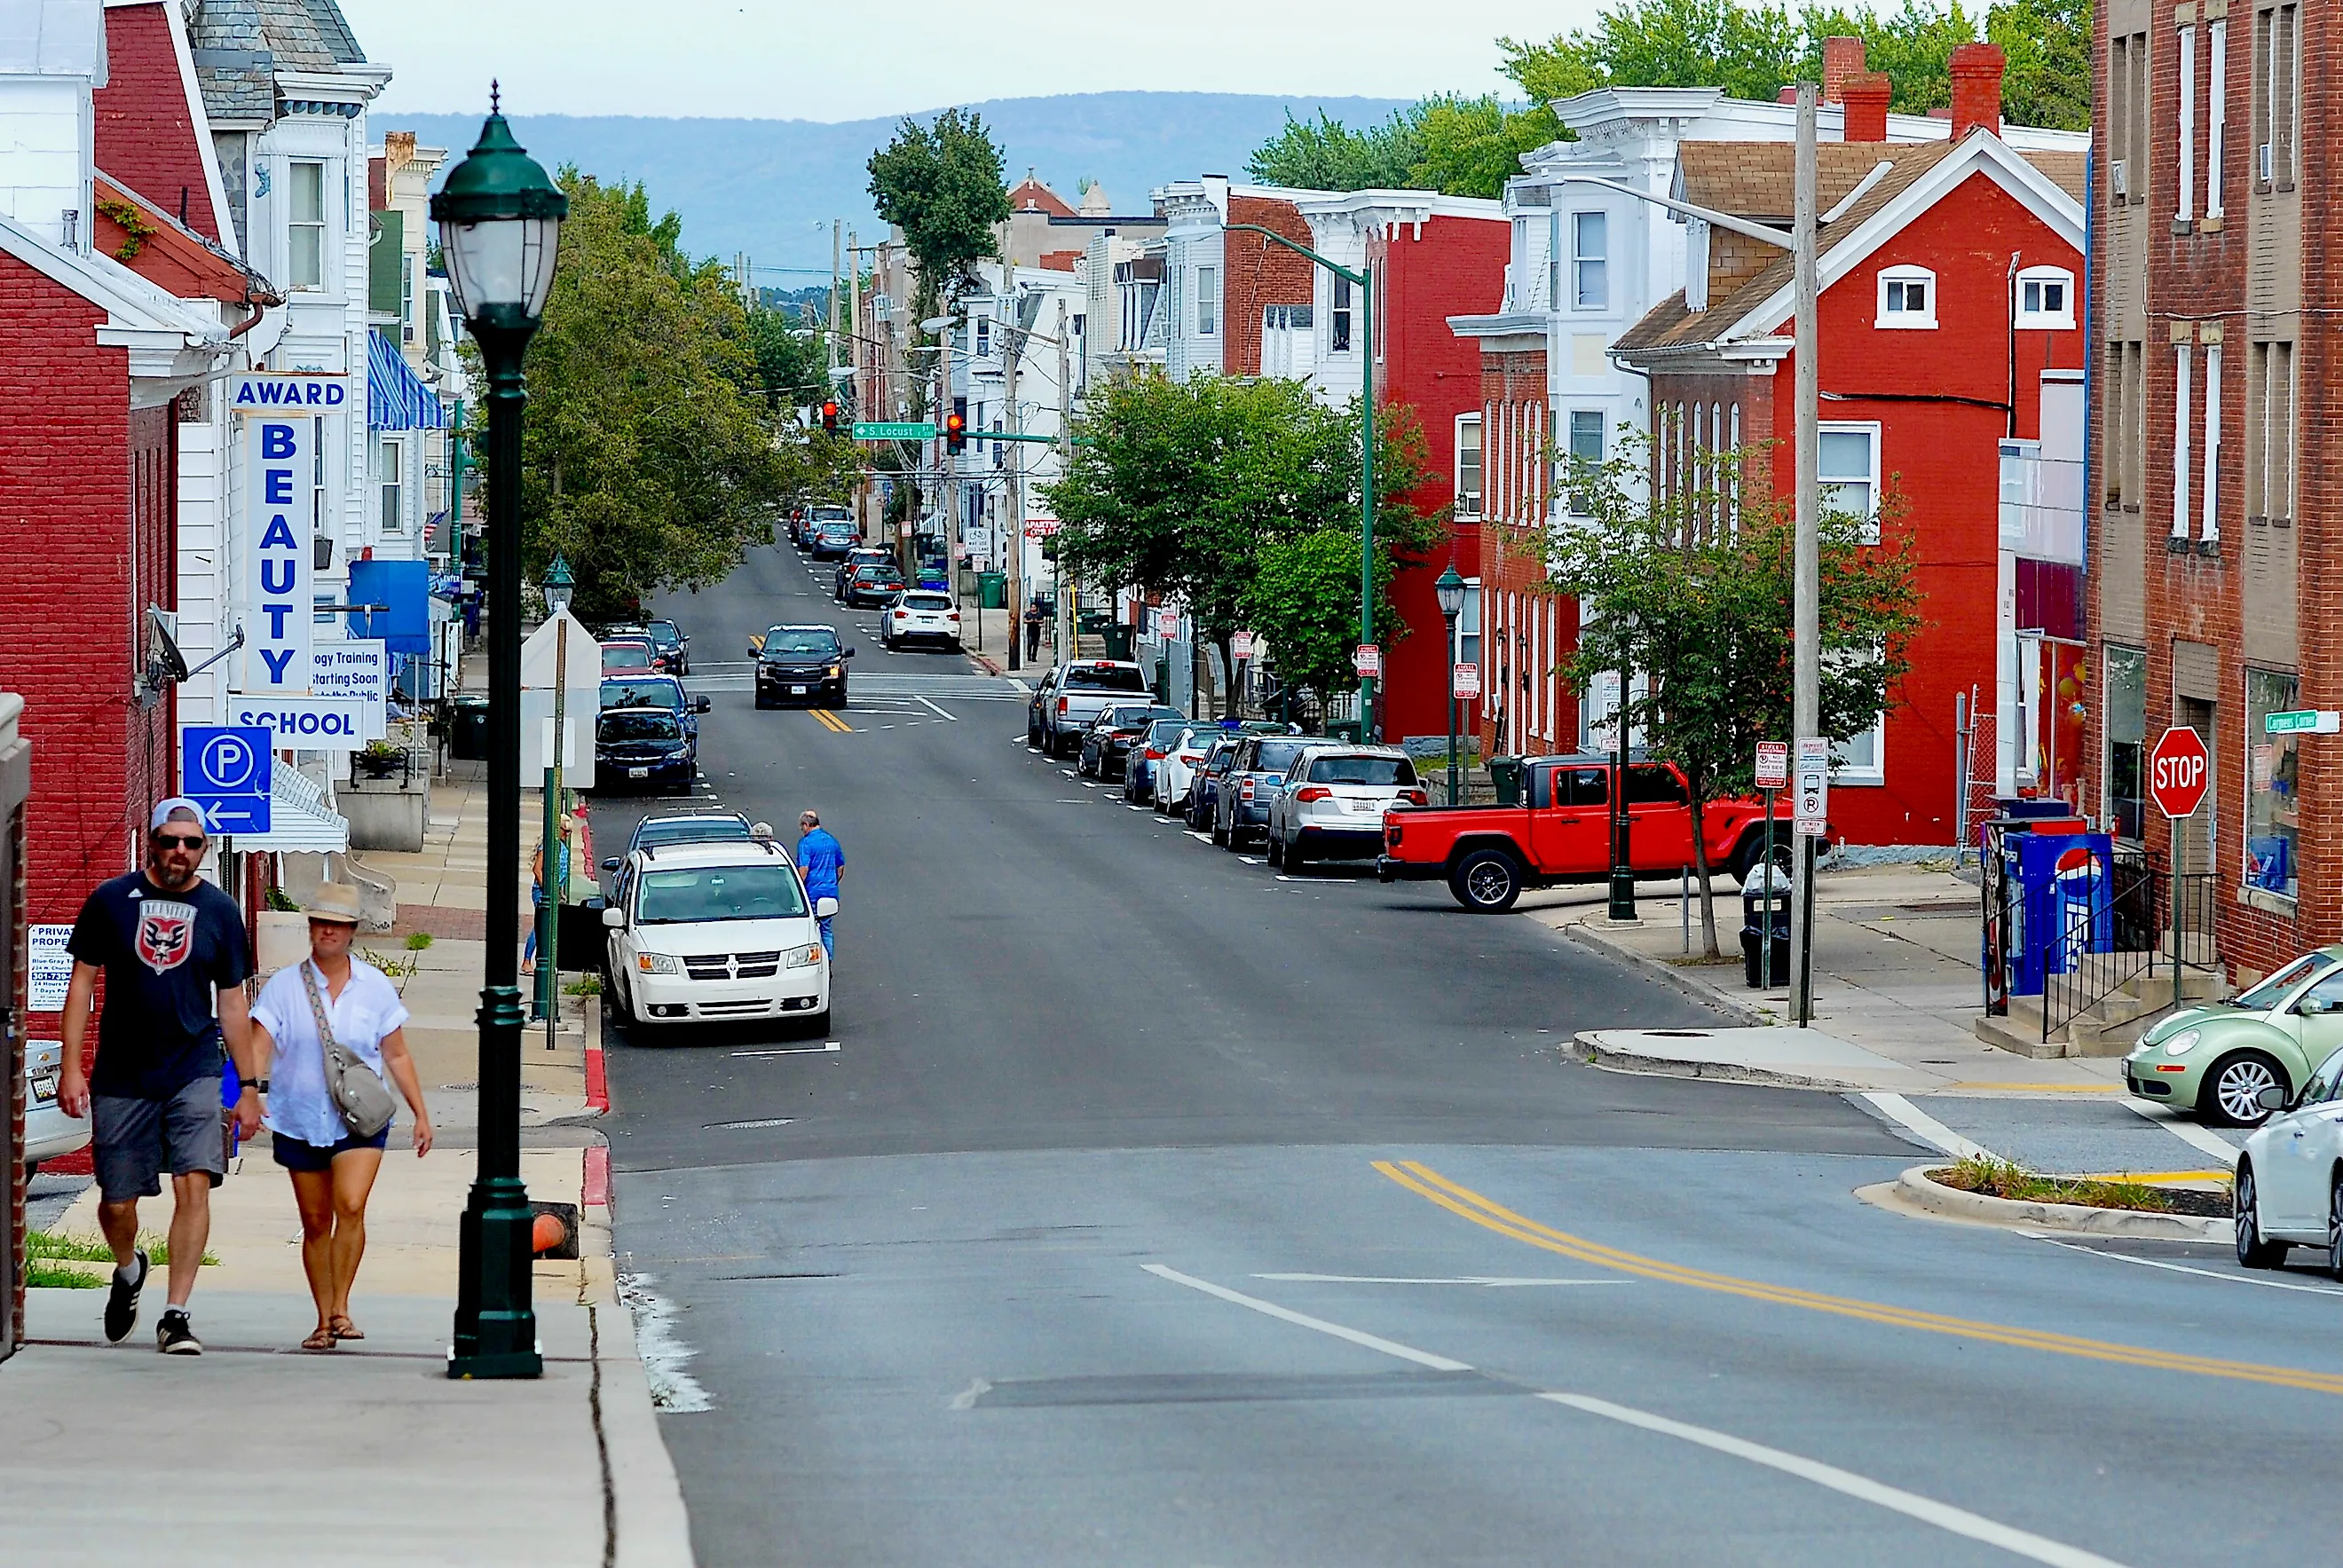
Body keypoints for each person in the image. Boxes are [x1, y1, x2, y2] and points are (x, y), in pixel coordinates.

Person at [56, 799, 259, 1356]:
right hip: (122, 1073)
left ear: (204, 850)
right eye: (170, 841)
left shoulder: (220, 911)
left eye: (192, 844)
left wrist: (248, 1086)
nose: (180, 852)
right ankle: (128, 1269)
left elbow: (233, 1004)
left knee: (195, 1181)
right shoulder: (111, 900)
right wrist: (71, 1067)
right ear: (151, 842)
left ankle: (176, 1315)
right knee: (118, 1200)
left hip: (194, 1067)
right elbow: (81, 983)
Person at [248, 883, 431, 1351]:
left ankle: (341, 1309)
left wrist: (420, 1113)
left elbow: (396, 1054)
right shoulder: (283, 988)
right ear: (311, 928)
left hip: (360, 1121)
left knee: (349, 1205)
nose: (328, 931)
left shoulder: (374, 987)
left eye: (338, 924)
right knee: (315, 1221)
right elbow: (256, 1046)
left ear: (352, 931)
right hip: (298, 1119)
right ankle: (323, 1318)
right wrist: (243, 1094)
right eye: (321, 922)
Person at [521, 814, 574, 975]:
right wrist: (548, 889)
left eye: (569, 832)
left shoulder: (561, 847)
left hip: (555, 891)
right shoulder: (547, 846)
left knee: (550, 926)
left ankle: (549, 962)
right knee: (541, 926)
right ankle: (527, 961)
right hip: (542, 891)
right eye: (565, 831)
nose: (567, 834)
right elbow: (537, 869)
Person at [797, 809, 845, 957]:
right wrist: (833, 883)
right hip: (830, 892)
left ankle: (814, 961)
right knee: (826, 929)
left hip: (812, 893)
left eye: (802, 827)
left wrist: (797, 889)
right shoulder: (831, 841)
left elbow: (804, 869)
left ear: (806, 825)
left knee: (810, 928)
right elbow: (840, 867)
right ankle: (828, 959)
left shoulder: (806, 843)